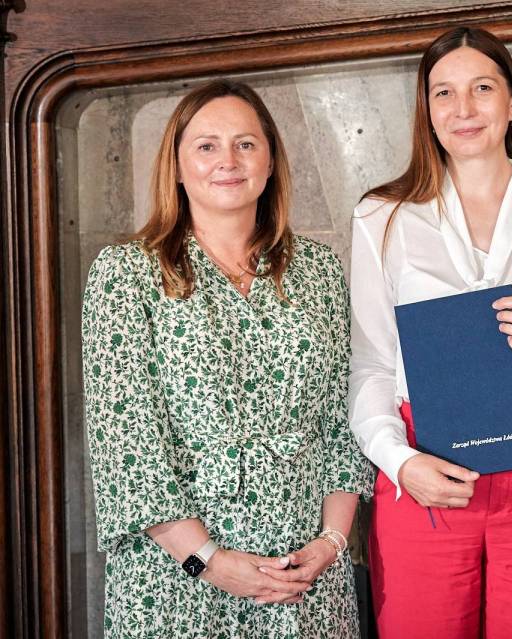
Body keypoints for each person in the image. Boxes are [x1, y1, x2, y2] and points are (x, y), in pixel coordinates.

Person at [82, 79, 373, 638]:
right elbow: (127, 444)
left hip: (304, 570)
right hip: (176, 575)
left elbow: (342, 417)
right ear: (176, 165)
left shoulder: (318, 269)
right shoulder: (126, 274)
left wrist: (332, 543)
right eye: (206, 145)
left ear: (270, 161)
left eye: (246, 144)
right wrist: (207, 561)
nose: (228, 161)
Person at [348, 26, 512, 639]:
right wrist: (398, 462)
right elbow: (372, 364)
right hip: (424, 466)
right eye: (444, 93)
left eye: (482, 88)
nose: (463, 108)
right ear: (426, 110)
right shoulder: (381, 217)